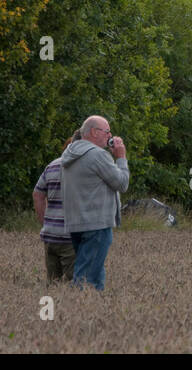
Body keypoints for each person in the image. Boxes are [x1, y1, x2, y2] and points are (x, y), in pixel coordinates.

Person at [61, 115, 129, 291]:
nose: (110, 136)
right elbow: (122, 184)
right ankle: (76, 312)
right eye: (107, 132)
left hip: (76, 223)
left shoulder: (69, 153)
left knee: (95, 274)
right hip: (97, 224)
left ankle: (95, 312)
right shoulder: (98, 155)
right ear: (93, 132)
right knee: (86, 278)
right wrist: (121, 157)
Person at [32, 131, 80, 282]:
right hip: (70, 238)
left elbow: (37, 194)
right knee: (76, 287)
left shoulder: (51, 165)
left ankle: (51, 306)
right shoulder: (82, 167)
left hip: (50, 236)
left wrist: (45, 222)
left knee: (53, 285)